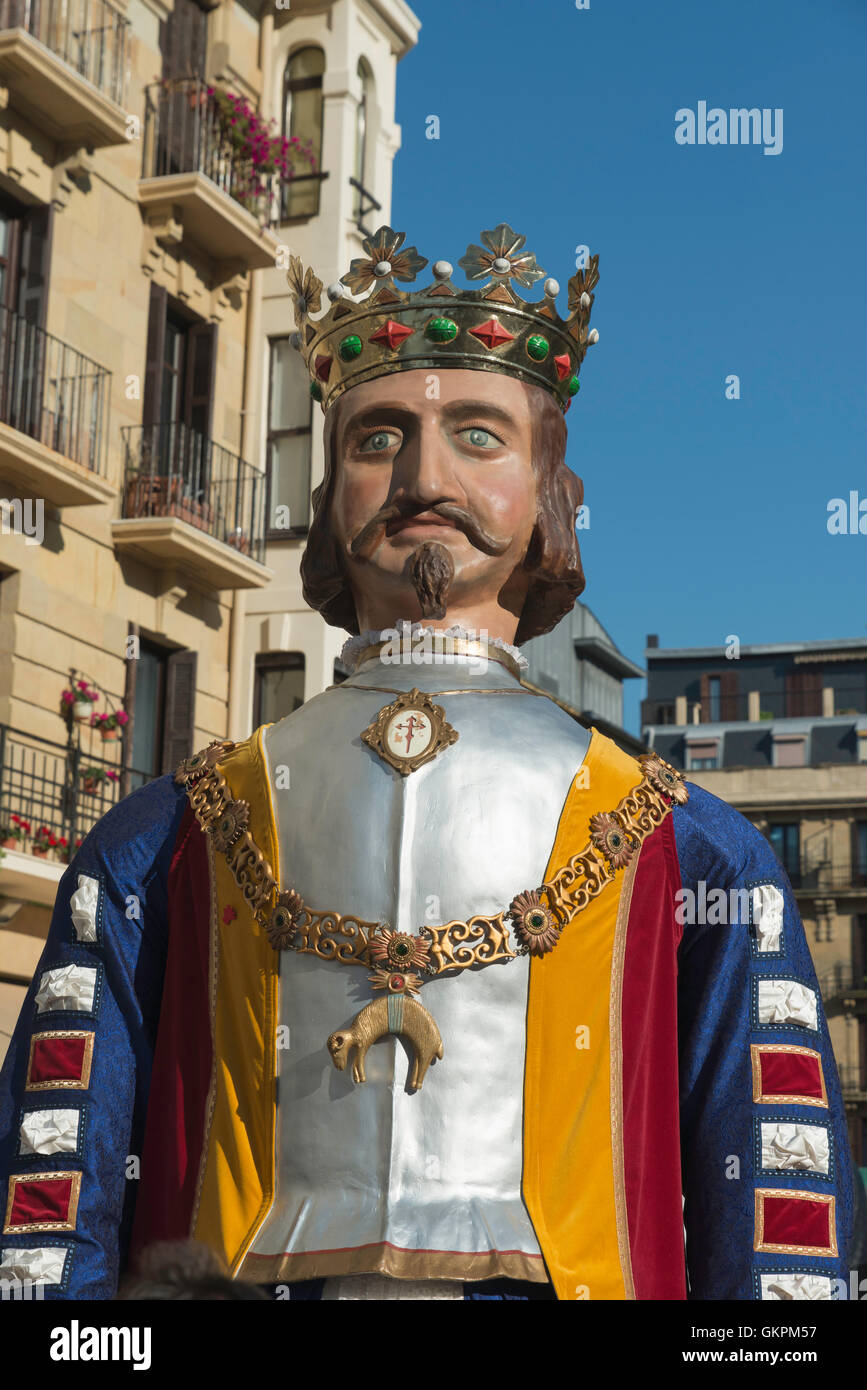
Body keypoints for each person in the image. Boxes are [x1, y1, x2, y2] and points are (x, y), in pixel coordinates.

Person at [0, 224, 855, 1301]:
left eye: (480, 436)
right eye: (376, 439)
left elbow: (779, 1238)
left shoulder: (701, 860)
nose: (423, 474)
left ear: (550, 485)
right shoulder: (156, 844)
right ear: (329, 489)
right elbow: (49, 1205)